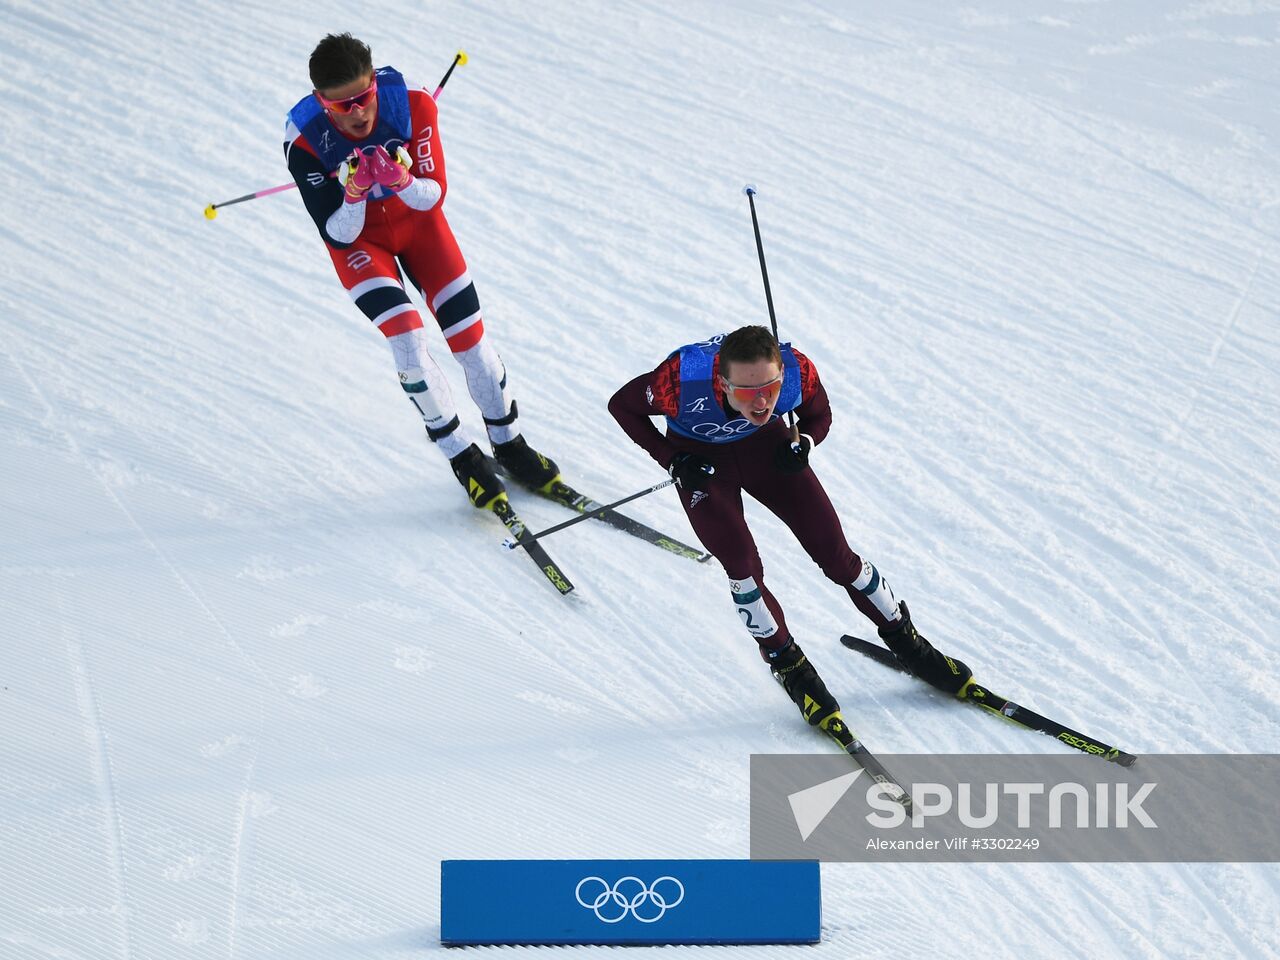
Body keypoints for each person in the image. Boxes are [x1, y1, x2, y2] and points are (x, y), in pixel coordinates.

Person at [609, 326, 975, 731]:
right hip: (703, 464)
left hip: (767, 451)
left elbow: (819, 416)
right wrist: (672, 458)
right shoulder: (679, 380)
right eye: (747, 393)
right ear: (722, 382)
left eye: (770, 387)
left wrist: (807, 443)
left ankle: (909, 642)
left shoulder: (797, 370)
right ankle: (789, 665)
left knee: (837, 556)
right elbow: (622, 407)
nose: (762, 400)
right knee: (742, 568)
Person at [283, 33, 558, 510]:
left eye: (363, 98)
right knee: (408, 339)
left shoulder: (411, 102)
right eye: (340, 105)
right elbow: (338, 235)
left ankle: (509, 443)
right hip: (363, 243)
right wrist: (353, 195)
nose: (356, 113)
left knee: (472, 342)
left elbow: (434, 195)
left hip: (419, 226)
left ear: (374, 82)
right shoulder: (303, 136)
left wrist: (400, 180)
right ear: (318, 100)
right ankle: (461, 456)